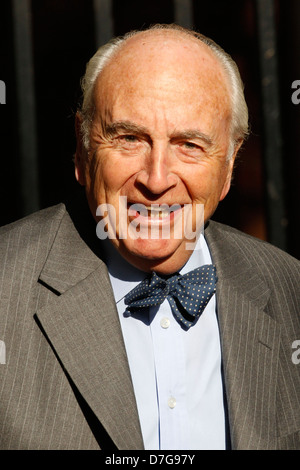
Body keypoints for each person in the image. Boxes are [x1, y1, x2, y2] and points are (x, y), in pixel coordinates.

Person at [0, 24, 299, 451]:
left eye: (190, 145)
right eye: (128, 138)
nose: (156, 180)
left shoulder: (291, 292)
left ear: (230, 165)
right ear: (83, 152)